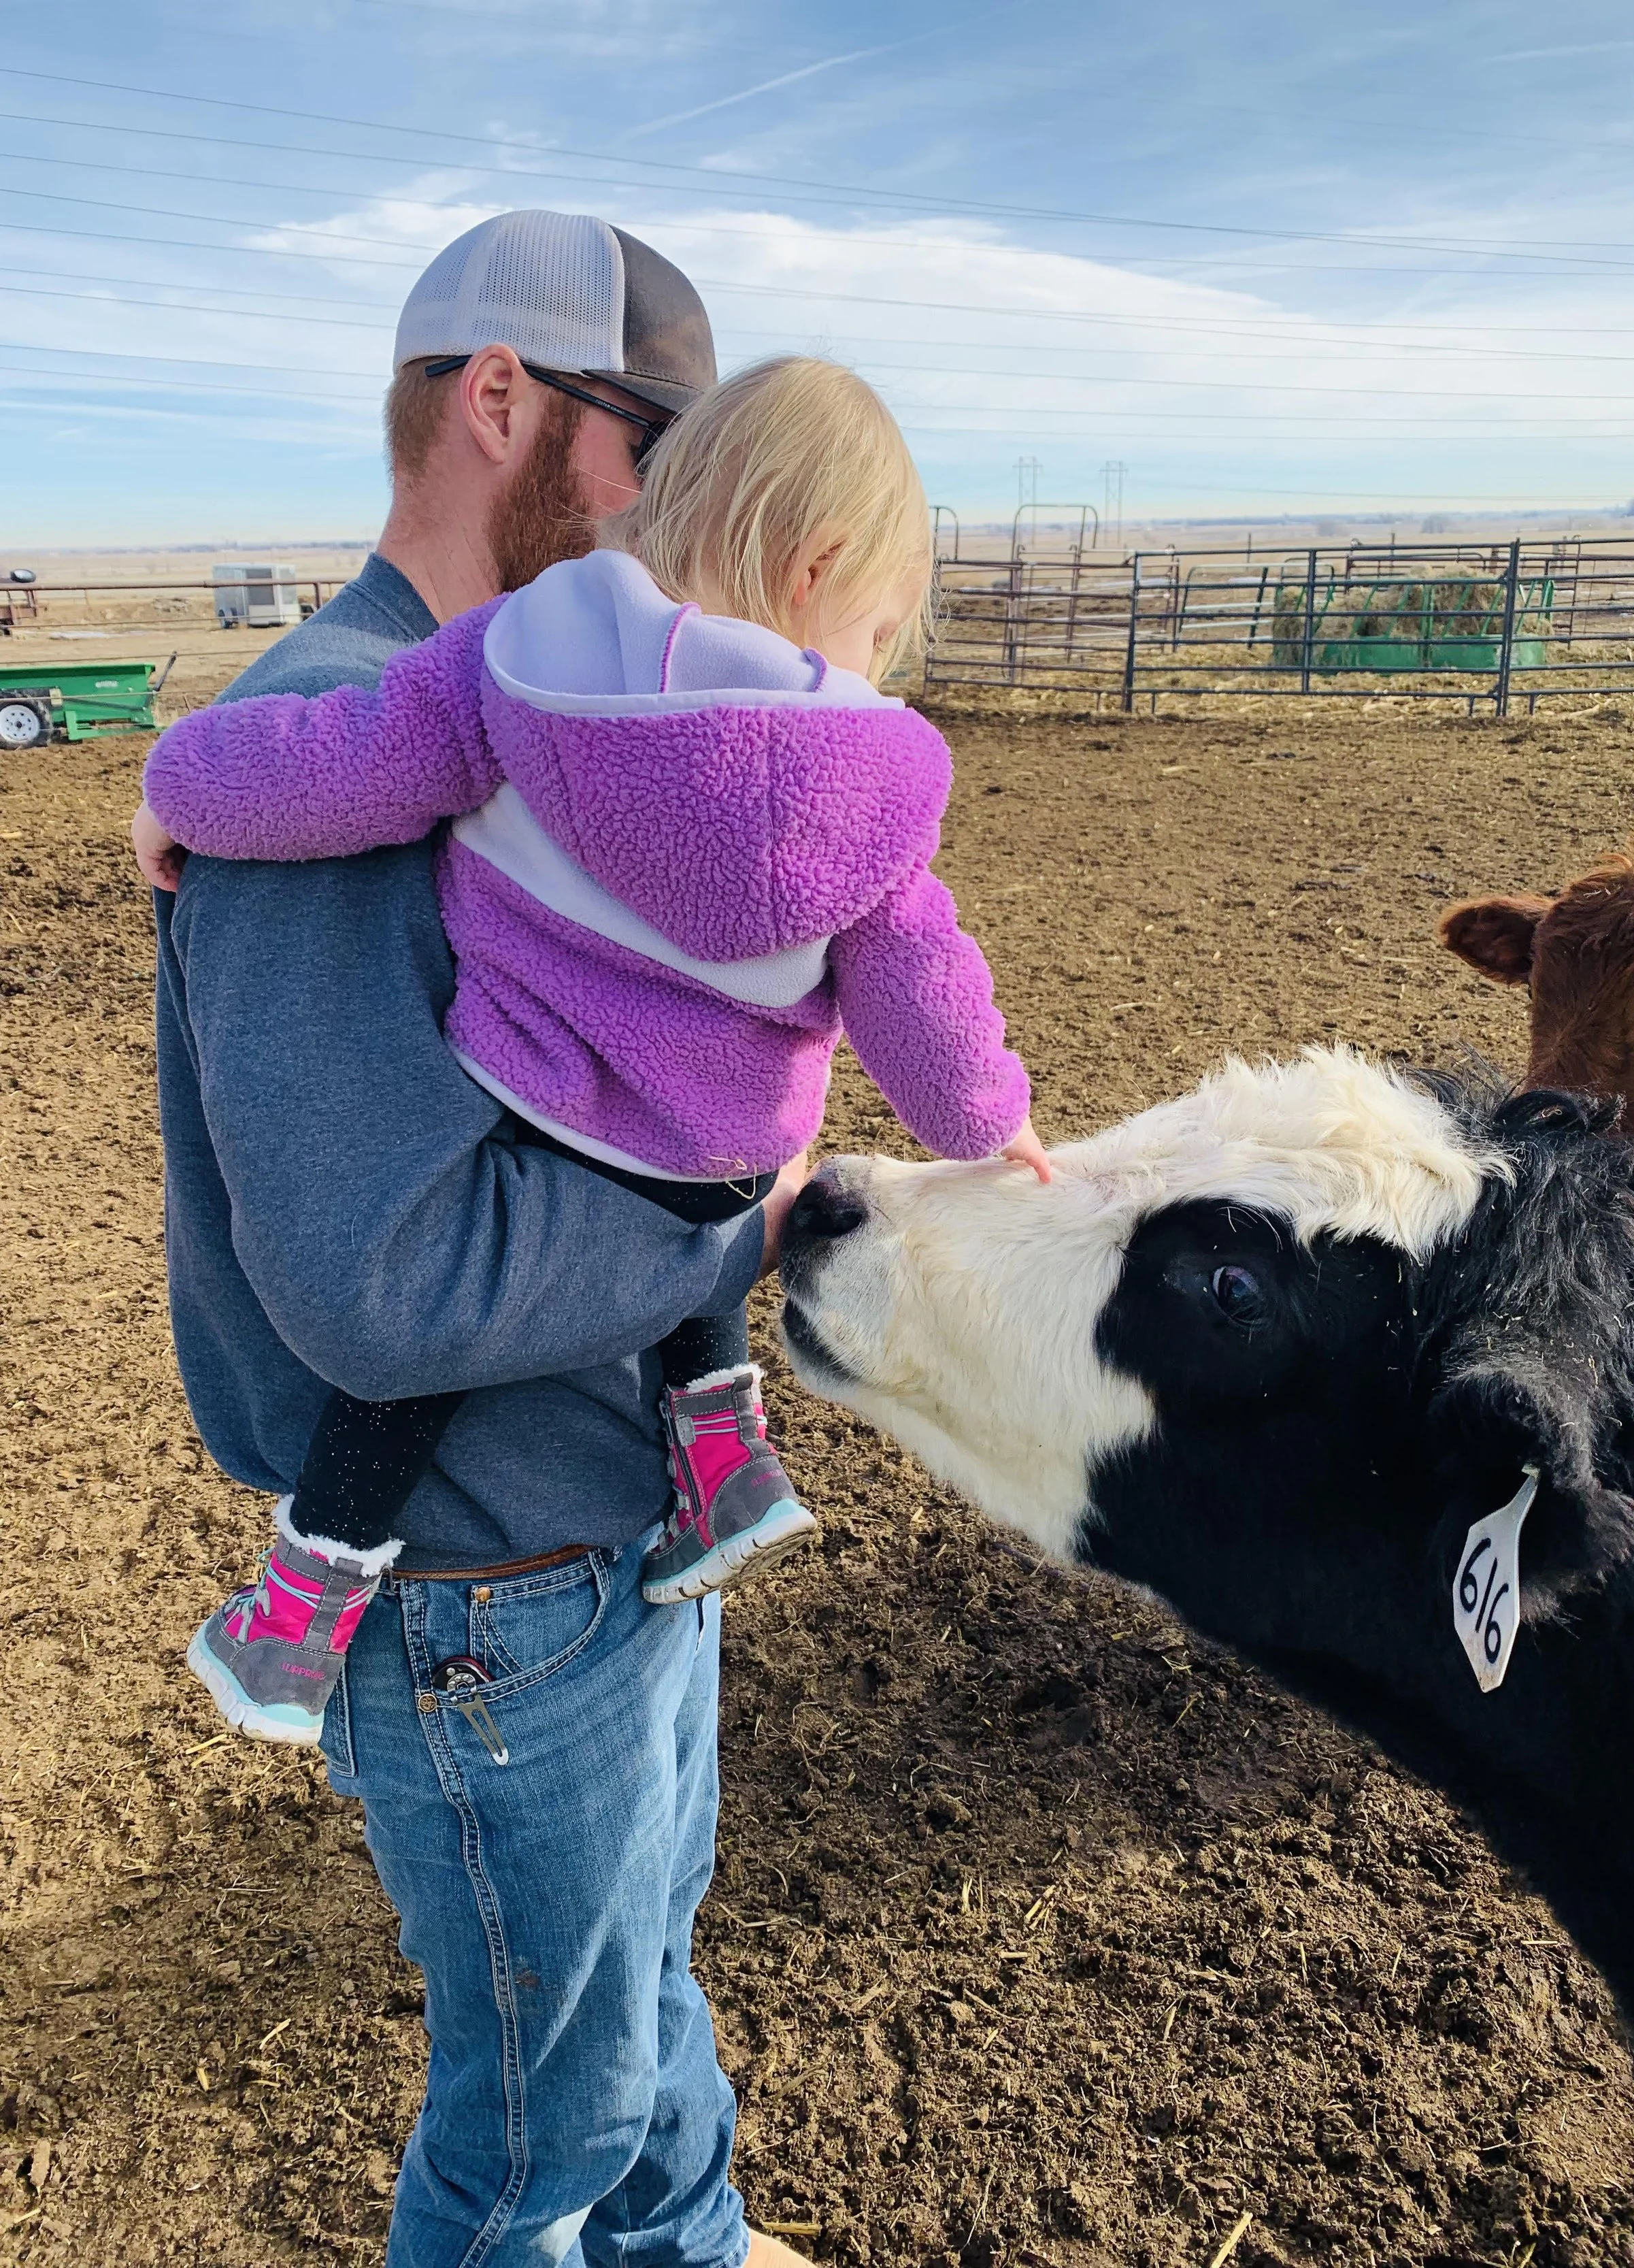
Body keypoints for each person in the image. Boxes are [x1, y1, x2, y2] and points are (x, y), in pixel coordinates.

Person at [139, 207, 818, 2268]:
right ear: (501, 406)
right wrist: (735, 1212)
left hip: (606, 1541)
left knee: (647, 2001)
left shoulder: (518, 716)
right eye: (658, 445)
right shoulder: (327, 755)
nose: (681, 508)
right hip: (485, 1596)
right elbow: (381, 1274)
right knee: (537, 2131)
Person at [138, 353, 1044, 1744]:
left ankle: (304, 1600)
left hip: (528, 1099)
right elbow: (922, 995)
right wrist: (991, 1122)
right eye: (874, 627)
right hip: (719, 1164)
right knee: (701, 1204)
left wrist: (181, 789)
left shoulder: (522, 653)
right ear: (819, 567)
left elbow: (346, 758)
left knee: (454, 1331)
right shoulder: (881, 777)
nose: (864, 664)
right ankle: (725, 1460)